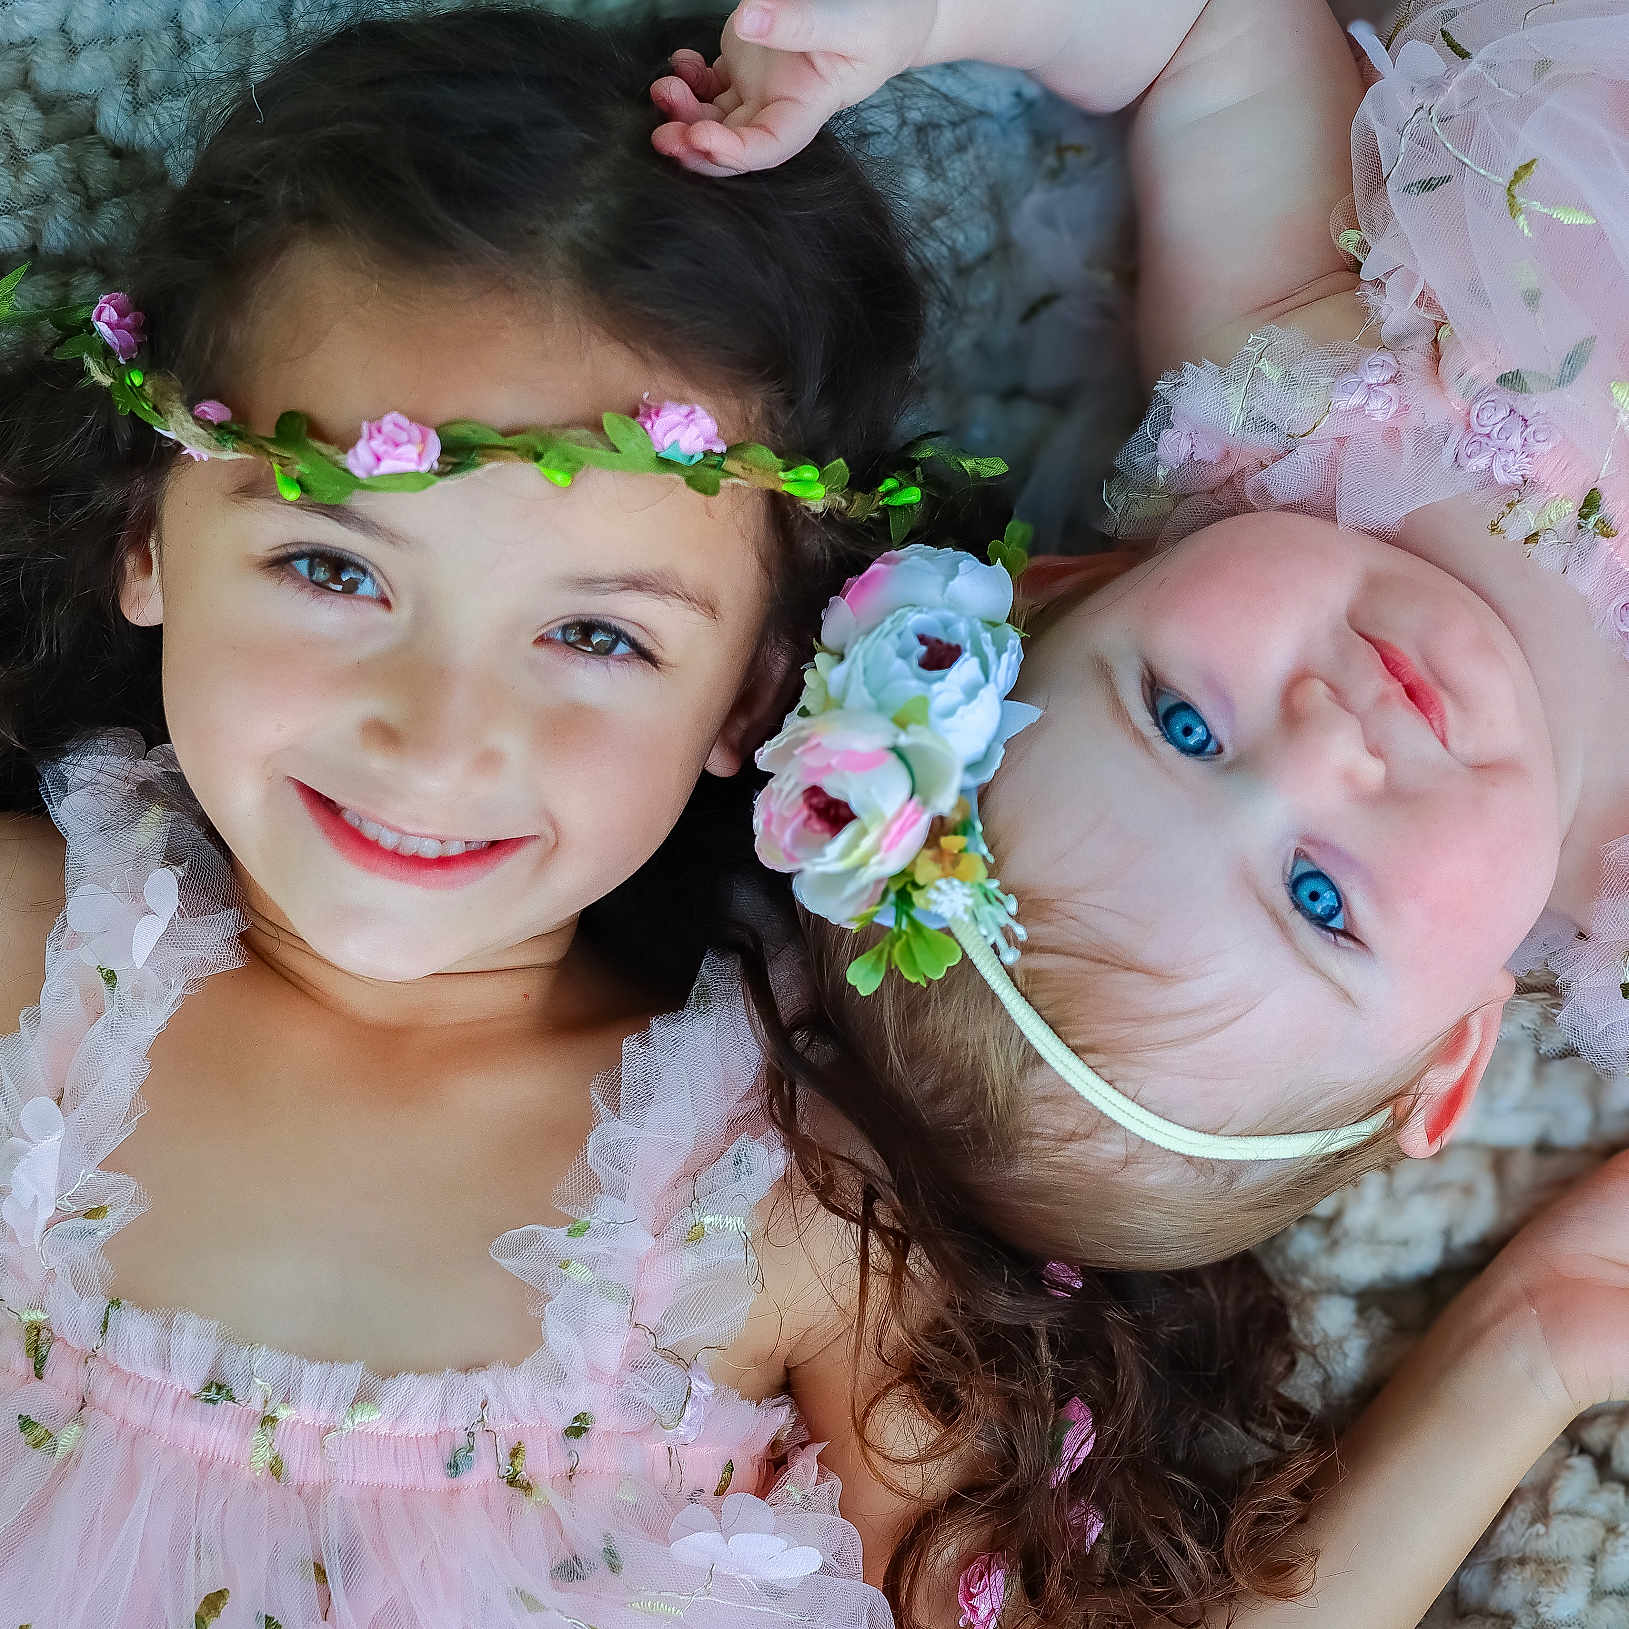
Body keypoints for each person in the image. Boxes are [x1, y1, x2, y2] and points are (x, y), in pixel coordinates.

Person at [0, 6, 1364, 1627]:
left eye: (595, 634)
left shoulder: (777, 1212)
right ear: (147, 533)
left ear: (752, 690)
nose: (438, 740)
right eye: (333, 568)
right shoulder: (28, 978)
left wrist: (1536, 1338)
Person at [652, 0, 1629, 1270]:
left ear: (1070, 585)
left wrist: (922, 21)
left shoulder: (1286, 401)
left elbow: (1207, 29)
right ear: (1452, 1057)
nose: (1324, 747)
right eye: (1321, 900)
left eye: (1185, 723)